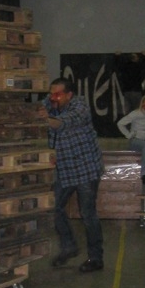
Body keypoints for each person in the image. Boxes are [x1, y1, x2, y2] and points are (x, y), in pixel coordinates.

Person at [40, 76, 104, 272]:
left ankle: (96, 258)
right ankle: (69, 247)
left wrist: (43, 118)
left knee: (88, 214)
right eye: (51, 94)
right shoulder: (51, 102)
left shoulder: (80, 107)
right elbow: (38, 108)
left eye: (57, 94)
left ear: (69, 95)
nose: (53, 98)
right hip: (65, 169)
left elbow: (61, 123)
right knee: (53, 207)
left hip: (86, 169)